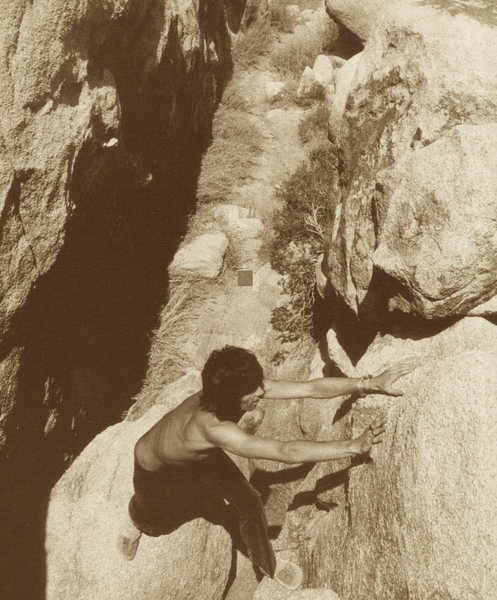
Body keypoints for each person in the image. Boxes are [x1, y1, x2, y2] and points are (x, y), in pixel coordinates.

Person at [118, 346, 414, 590]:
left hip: (198, 457)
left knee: (250, 502)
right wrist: (353, 446)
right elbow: (283, 451)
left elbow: (309, 389)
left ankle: (267, 563)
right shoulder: (216, 430)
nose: (262, 392)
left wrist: (368, 383)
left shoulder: (234, 389)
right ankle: (135, 520)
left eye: (260, 385)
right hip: (154, 469)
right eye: (254, 391)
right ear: (232, 397)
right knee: (153, 518)